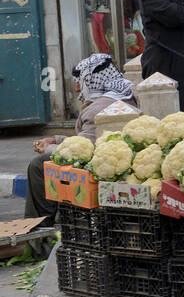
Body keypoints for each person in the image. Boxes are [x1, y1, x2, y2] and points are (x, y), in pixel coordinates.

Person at [25, 55, 134, 220]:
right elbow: (87, 138)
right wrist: (56, 139)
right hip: (109, 155)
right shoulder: (124, 96)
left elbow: (84, 149)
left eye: (80, 82)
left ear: (92, 81)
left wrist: (48, 148)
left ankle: (40, 226)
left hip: (99, 164)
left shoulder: (97, 108)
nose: (77, 88)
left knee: (39, 165)